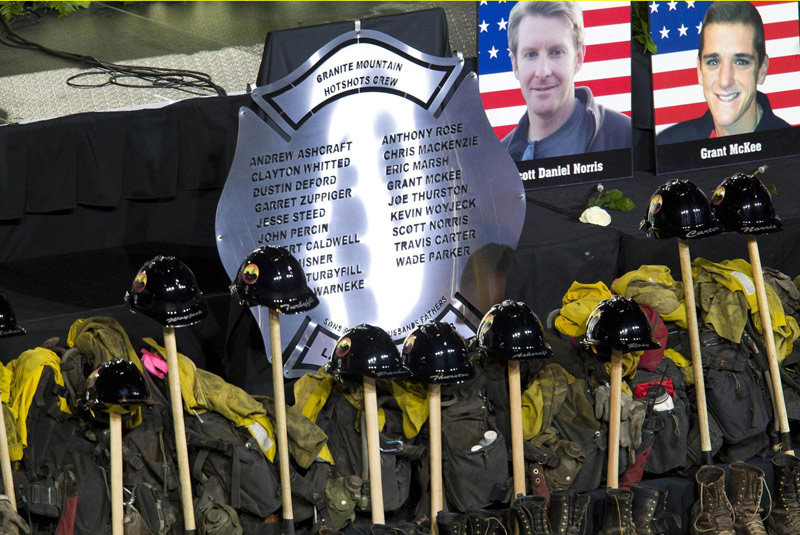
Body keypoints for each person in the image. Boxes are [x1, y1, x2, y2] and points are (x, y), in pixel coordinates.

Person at [501, 1, 631, 161]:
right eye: (531, 54)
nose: (543, 72)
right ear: (515, 65)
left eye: (556, 52)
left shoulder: (626, 138)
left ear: (578, 57)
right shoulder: (496, 162)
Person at [657, 1, 790, 144]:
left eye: (741, 62)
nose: (725, 81)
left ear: (762, 70)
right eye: (713, 62)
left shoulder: (792, 144)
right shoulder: (669, 145)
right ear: (699, 71)